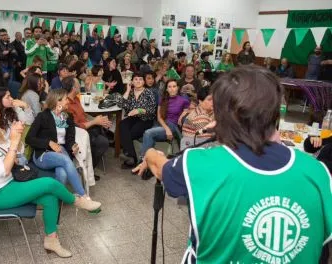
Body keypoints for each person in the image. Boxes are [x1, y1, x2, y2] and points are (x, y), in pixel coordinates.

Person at [134, 65, 332, 263]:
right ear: (276, 111)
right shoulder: (319, 173)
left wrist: (150, 153)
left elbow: (161, 168)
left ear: (224, 115)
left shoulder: (199, 164)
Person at [0, 99, 100, 258]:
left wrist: (15, 142)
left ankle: (51, 240)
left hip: (7, 184)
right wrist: (14, 143)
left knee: (49, 197)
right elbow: (3, 170)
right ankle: (77, 200)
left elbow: (15, 154)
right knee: (50, 183)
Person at [25, 89, 101, 203]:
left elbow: (70, 139)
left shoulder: (68, 117)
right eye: (66, 99)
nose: (68, 101)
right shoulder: (43, 116)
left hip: (62, 151)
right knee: (65, 161)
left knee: (63, 173)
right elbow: (29, 138)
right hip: (43, 153)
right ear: (58, 101)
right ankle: (84, 197)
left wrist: (73, 146)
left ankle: (56, 200)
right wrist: (48, 143)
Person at [61, 76, 111, 177]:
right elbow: (75, 126)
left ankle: (89, 168)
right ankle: (87, 172)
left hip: (87, 129)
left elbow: (83, 115)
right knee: (103, 142)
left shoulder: (76, 98)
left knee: (103, 135)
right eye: (77, 84)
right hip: (78, 133)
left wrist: (97, 120)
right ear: (73, 88)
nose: (80, 85)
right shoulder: (67, 104)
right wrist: (95, 122)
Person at [139, 79, 188, 162]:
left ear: (177, 88)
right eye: (169, 87)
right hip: (162, 125)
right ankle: (149, 161)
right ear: (166, 89)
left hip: (173, 126)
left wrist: (183, 114)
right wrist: (167, 129)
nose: (172, 89)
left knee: (148, 133)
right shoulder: (163, 99)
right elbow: (159, 117)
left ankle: (143, 161)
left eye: (174, 86)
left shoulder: (183, 100)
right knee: (149, 136)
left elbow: (189, 110)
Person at [117, 72, 157, 168]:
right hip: (132, 118)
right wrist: (127, 90)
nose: (138, 81)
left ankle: (129, 156)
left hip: (145, 119)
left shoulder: (148, 92)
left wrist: (139, 110)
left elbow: (152, 110)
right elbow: (121, 105)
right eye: (136, 79)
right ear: (132, 81)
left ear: (144, 82)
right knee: (122, 124)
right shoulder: (130, 92)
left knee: (129, 133)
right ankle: (133, 158)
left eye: (140, 79)